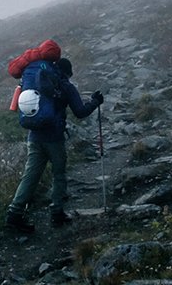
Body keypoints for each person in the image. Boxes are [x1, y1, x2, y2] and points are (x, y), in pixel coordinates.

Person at [6, 57, 103, 232]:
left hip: (34, 137)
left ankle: (14, 213)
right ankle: (57, 213)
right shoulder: (65, 86)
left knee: (30, 175)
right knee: (59, 173)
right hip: (54, 138)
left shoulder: (37, 81)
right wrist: (95, 102)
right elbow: (80, 112)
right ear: (67, 73)